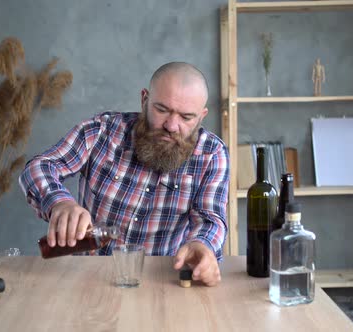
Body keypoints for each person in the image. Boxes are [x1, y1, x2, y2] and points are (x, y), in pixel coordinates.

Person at [19, 62, 229, 286]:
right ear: (144, 99)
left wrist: (202, 244)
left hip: (159, 282)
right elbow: (40, 167)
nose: (171, 125)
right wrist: (59, 202)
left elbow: (210, 219)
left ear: (201, 116)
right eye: (162, 110)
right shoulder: (102, 131)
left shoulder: (211, 153)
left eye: (186, 117)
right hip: (88, 279)